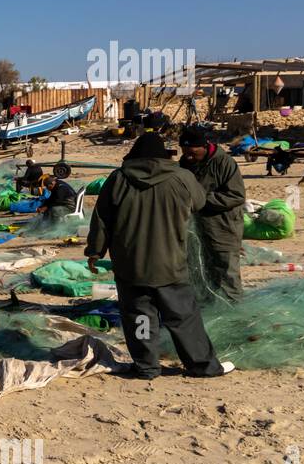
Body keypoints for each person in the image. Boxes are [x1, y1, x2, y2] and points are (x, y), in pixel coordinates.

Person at [85, 133, 232, 380]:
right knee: (183, 318)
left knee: (139, 317)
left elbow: (101, 219)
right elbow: (199, 202)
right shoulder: (182, 177)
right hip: (170, 263)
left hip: (131, 265)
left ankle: (147, 366)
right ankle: (202, 365)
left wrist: (95, 251)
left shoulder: (118, 179)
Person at [178, 124, 246, 303]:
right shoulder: (185, 163)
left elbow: (236, 195)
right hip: (196, 228)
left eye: (192, 151)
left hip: (223, 227)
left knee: (226, 272)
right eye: (184, 150)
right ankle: (206, 308)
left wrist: (201, 200)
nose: (188, 155)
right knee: (200, 270)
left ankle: (233, 311)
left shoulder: (224, 163)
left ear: (204, 146)